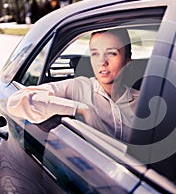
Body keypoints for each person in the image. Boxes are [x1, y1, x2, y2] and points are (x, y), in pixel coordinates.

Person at [7, 28, 139, 142]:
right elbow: (16, 102)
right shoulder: (78, 88)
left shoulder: (142, 100)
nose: (102, 62)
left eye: (111, 53)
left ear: (128, 59)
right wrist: (80, 109)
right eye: (95, 54)